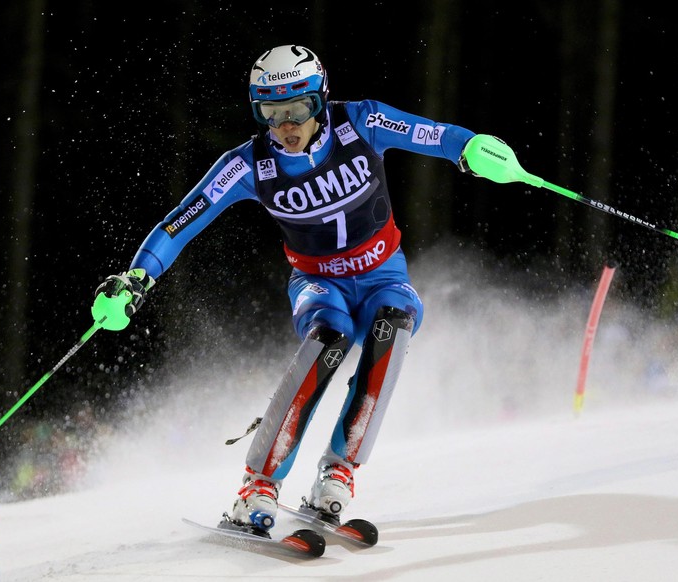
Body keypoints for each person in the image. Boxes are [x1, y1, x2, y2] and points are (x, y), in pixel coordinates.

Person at [95, 44, 509, 537]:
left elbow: (434, 135)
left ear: (321, 101)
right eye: (271, 113)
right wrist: (138, 276)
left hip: (383, 274)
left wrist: (472, 149)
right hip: (318, 282)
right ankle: (258, 486)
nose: (287, 125)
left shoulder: (363, 122)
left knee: (392, 325)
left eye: (299, 109)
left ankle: (338, 473)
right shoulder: (248, 164)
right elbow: (182, 221)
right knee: (330, 336)